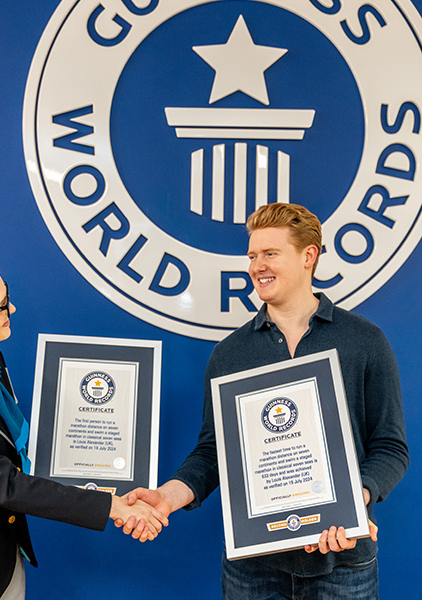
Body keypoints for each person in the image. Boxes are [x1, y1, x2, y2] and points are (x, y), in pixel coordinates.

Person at [120, 203, 408, 598]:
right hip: (254, 570)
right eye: (253, 255)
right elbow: (212, 453)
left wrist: (352, 504)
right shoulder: (230, 353)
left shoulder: (364, 341)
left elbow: (390, 448)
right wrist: (167, 497)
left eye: (270, 253)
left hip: (343, 562)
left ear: (309, 256)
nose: (257, 266)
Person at [0, 259, 167, 600]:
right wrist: (112, 506)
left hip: (5, 558)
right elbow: (6, 484)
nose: (13, 308)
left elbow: (15, 452)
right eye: (1, 306)